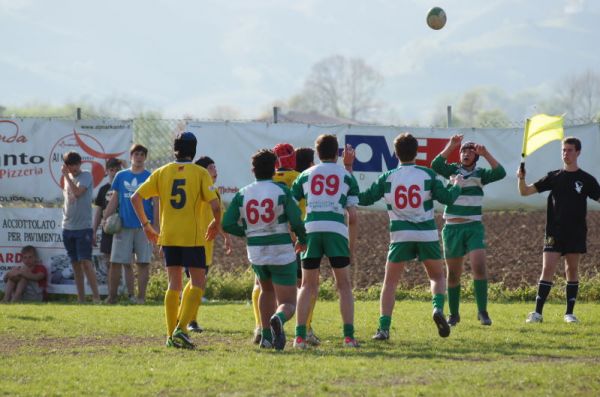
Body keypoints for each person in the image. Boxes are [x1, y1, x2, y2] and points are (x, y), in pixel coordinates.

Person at [356, 133, 463, 340]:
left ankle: (384, 328)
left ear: (395, 153)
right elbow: (448, 197)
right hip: (426, 234)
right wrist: (457, 184)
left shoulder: (387, 176)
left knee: (390, 284)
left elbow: (366, 198)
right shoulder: (428, 175)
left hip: (400, 235)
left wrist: (348, 181)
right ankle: (437, 308)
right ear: (417, 152)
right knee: (437, 277)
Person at [131, 132, 221, 349]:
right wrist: (215, 223)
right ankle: (181, 329)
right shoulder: (200, 172)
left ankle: (171, 335)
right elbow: (216, 205)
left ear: (174, 149)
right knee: (198, 282)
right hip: (191, 236)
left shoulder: (162, 172)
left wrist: (146, 225)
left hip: (168, 236)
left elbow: (135, 198)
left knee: (174, 283)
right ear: (194, 150)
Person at [223, 149, 306, 350]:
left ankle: (266, 337)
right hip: (281, 250)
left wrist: (247, 231)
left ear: (253, 170)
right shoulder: (282, 191)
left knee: (266, 290)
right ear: (274, 169)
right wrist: (303, 239)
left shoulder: (243, 193)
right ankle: (278, 318)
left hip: (257, 251)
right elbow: (295, 219)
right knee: (288, 302)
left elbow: (226, 223)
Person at [517, 136, 600, 324]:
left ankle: (569, 314)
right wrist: (521, 179)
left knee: (572, 269)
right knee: (547, 268)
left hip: (576, 231)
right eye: (564, 150)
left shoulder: (586, 179)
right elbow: (525, 191)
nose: (566, 153)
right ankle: (537, 313)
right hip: (554, 231)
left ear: (578, 152)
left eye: (570, 150)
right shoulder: (554, 176)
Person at [291, 134, 360, 348]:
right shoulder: (346, 175)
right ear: (337, 152)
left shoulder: (305, 174)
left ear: (318, 152)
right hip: (336, 231)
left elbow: (292, 207)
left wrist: (296, 236)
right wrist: (351, 246)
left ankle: (299, 337)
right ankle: (348, 337)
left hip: (311, 229)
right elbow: (353, 216)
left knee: (307, 285)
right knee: (344, 285)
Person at [431, 135, 506, 326]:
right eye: (463, 151)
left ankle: (482, 312)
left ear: (476, 156)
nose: (466, 153)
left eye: (470, 151)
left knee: (479, 267)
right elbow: (436, 164)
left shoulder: (480, 174)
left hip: (473, 227)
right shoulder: (453, 171)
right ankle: (454, 315)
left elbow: (501, 172)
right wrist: (451, 145)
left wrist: (486, 153)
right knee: (454, 274)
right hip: (453, 228)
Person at [182, 156, 231, 334]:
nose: (215, 171)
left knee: (198, 282)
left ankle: (187, 317)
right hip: (194, 241)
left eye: (215, 167)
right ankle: (189, 319)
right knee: (197, 282)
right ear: (202, 171)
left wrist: (225, 236)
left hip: (206, 243)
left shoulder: (213, 190)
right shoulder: (197, 188)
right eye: (211, 167)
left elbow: (218, 217)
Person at [104, 144, 157, 304]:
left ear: (145, 157)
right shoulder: (121, 176)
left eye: (142, 154)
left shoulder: (151, 177)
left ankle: (140, 298)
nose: (139, 157)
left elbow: (157, 202)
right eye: (136, 154)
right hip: (124, 226)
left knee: (143, 262)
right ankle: (112, 298)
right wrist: (105, 217)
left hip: (144, 226)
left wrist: (155, 225)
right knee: (115, 262)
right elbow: (115, 198)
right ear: (131, 156)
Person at [61, 151, 100, 303]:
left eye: (76, 164)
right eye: (71, 165)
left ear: (80, 164)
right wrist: (67, 177)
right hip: (67, 226)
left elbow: (77, 193)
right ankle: (81, 299)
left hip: (83, 227)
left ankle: (96, 297)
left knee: (86, 263)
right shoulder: (67, 178)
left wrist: (66, 176)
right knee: (75, 264)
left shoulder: (86, 176)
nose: (74, 167)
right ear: (66, 166)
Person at [92, 158, 123, 302]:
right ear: (107, 171)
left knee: (125, 263)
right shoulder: (103, 189)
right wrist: (93, 230)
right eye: (111, 169)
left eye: (117, 169)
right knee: (109, 262)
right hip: (108, 229)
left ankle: (129, 294)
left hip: (123, 228)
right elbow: (98, 211)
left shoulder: (124, 187)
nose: (114, 172)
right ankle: (112, 295)